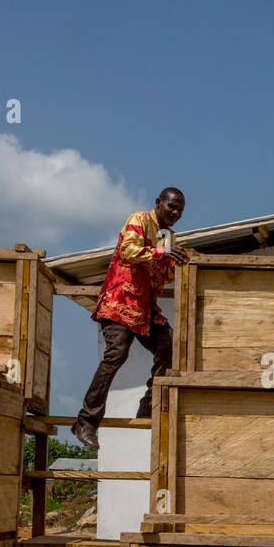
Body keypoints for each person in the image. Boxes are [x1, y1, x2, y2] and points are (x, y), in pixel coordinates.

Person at [72, 188, 190, 450]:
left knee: (169, 346)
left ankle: (149, 405)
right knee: (117, 353)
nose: (176, 213)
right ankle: (86, 421)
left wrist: (179, 261)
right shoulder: (139, 219)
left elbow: (160, 272)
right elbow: (129, 250)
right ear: (158, 203)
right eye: (172, 206)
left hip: (145, 309)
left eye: (180, 209)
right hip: (120, 303)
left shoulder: (165, 236)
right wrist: (163, 254)